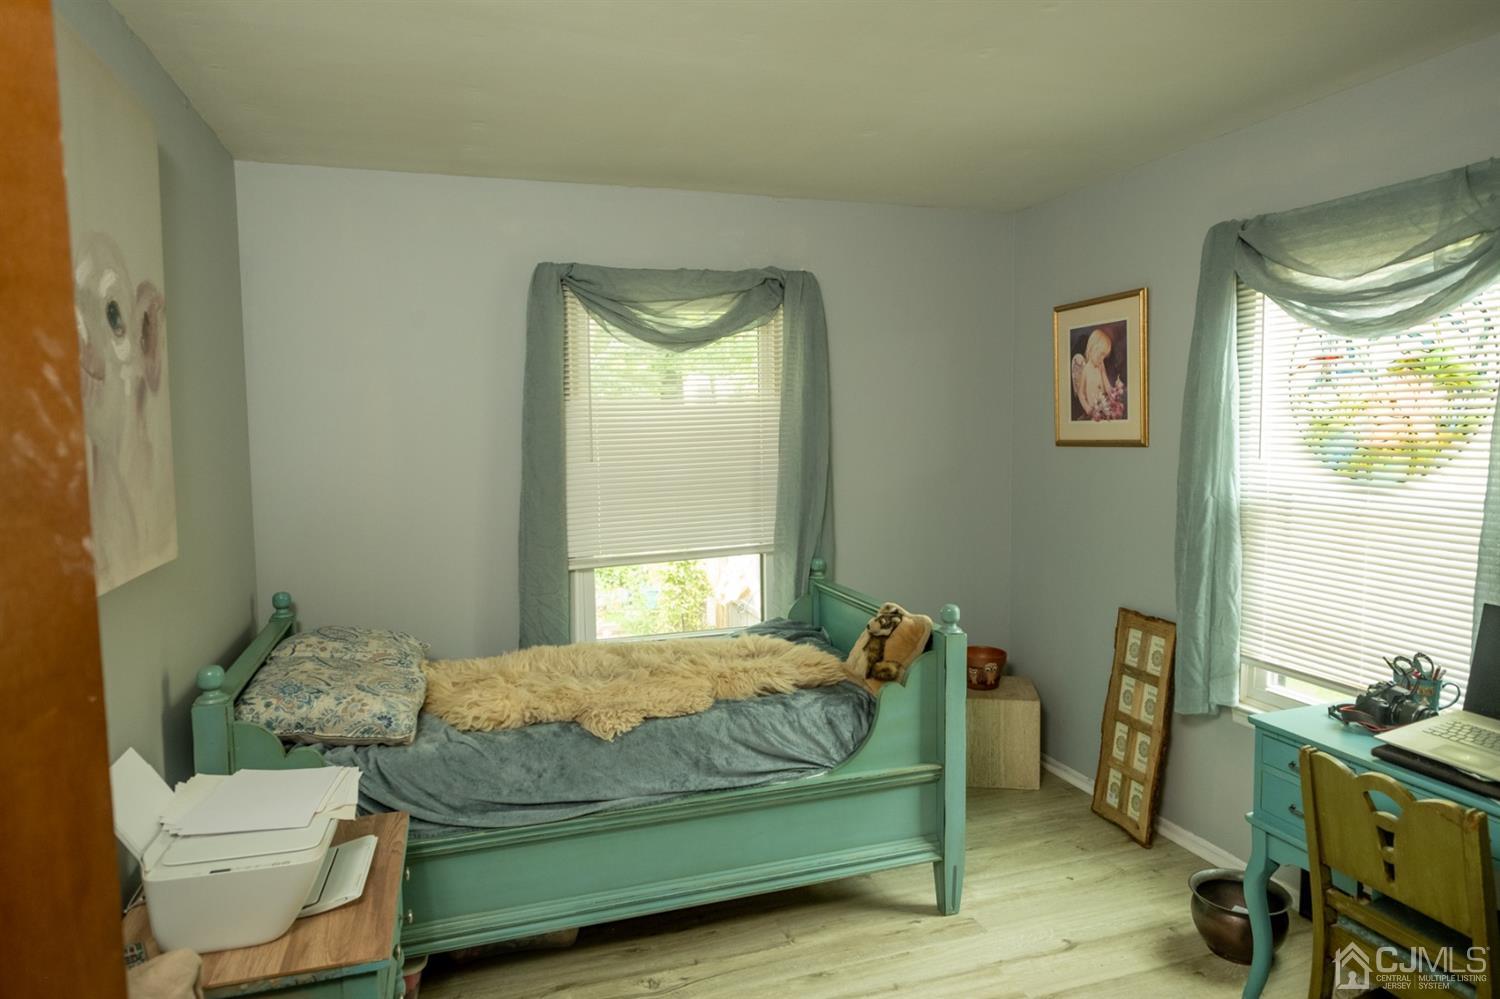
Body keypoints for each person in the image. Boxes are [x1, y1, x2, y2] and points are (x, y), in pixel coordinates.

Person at [1071, 327, 1126, 420]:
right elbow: (1080, 393)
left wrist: (1111, 395)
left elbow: (1106, 384)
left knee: (1118, 410)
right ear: (1092, 348)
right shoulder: (1086, 369)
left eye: (1104, 356)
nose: (1102, 358)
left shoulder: (1100, 365)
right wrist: (1088, 409)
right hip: (1093, 409)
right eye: (1101, 354)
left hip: (1102, 405)